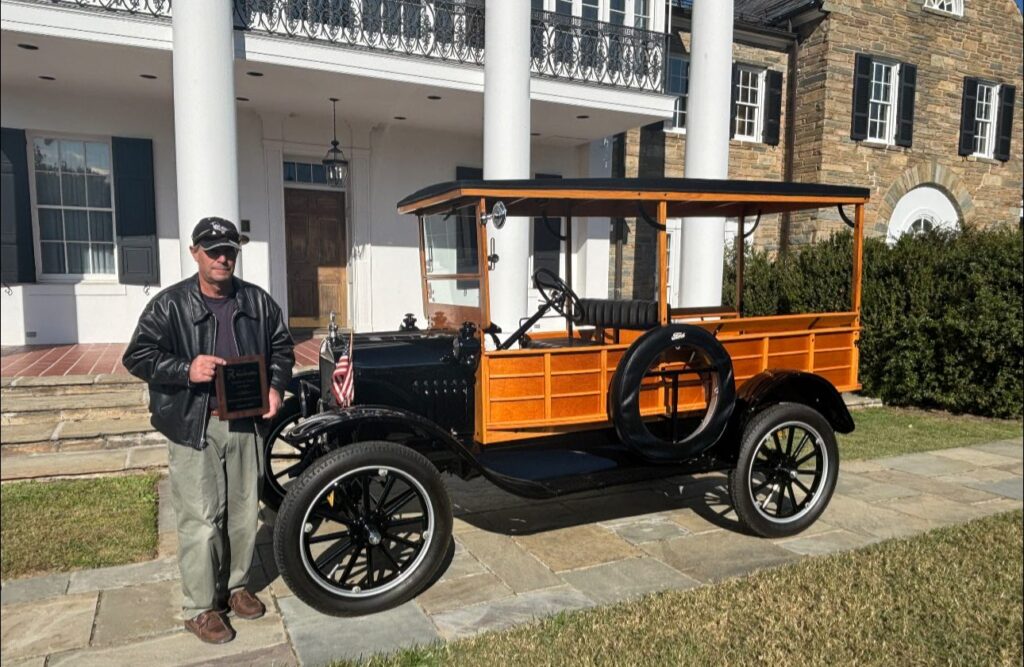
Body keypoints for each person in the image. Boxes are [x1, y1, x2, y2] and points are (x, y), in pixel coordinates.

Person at [123, 216, 294, 644]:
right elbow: (137, 355)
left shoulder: (257, 302)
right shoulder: (170, 305)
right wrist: (185, 369)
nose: (223, 257)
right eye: (214, 250)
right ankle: (199, 607)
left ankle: (235, 587)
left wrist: (275, 387)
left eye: (230, 251)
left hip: (245, 423)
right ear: (194, 252)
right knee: (201, 520)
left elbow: (282, 348)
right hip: (194, 425)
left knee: (241, 514)